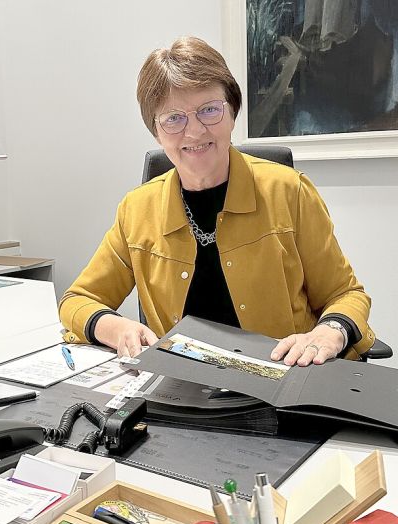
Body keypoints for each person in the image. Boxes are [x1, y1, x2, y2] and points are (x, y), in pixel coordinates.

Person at [59, 36, 374, 367]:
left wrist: (331, 331)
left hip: (282, 385)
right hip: (178, 390)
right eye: (174, 118)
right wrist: (117, 327)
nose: (194, 132)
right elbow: (77, 300)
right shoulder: (137, 209)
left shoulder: (289, 192)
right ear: (156, 131)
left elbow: (345, 295)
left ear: (232, 113)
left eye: (209, 110)